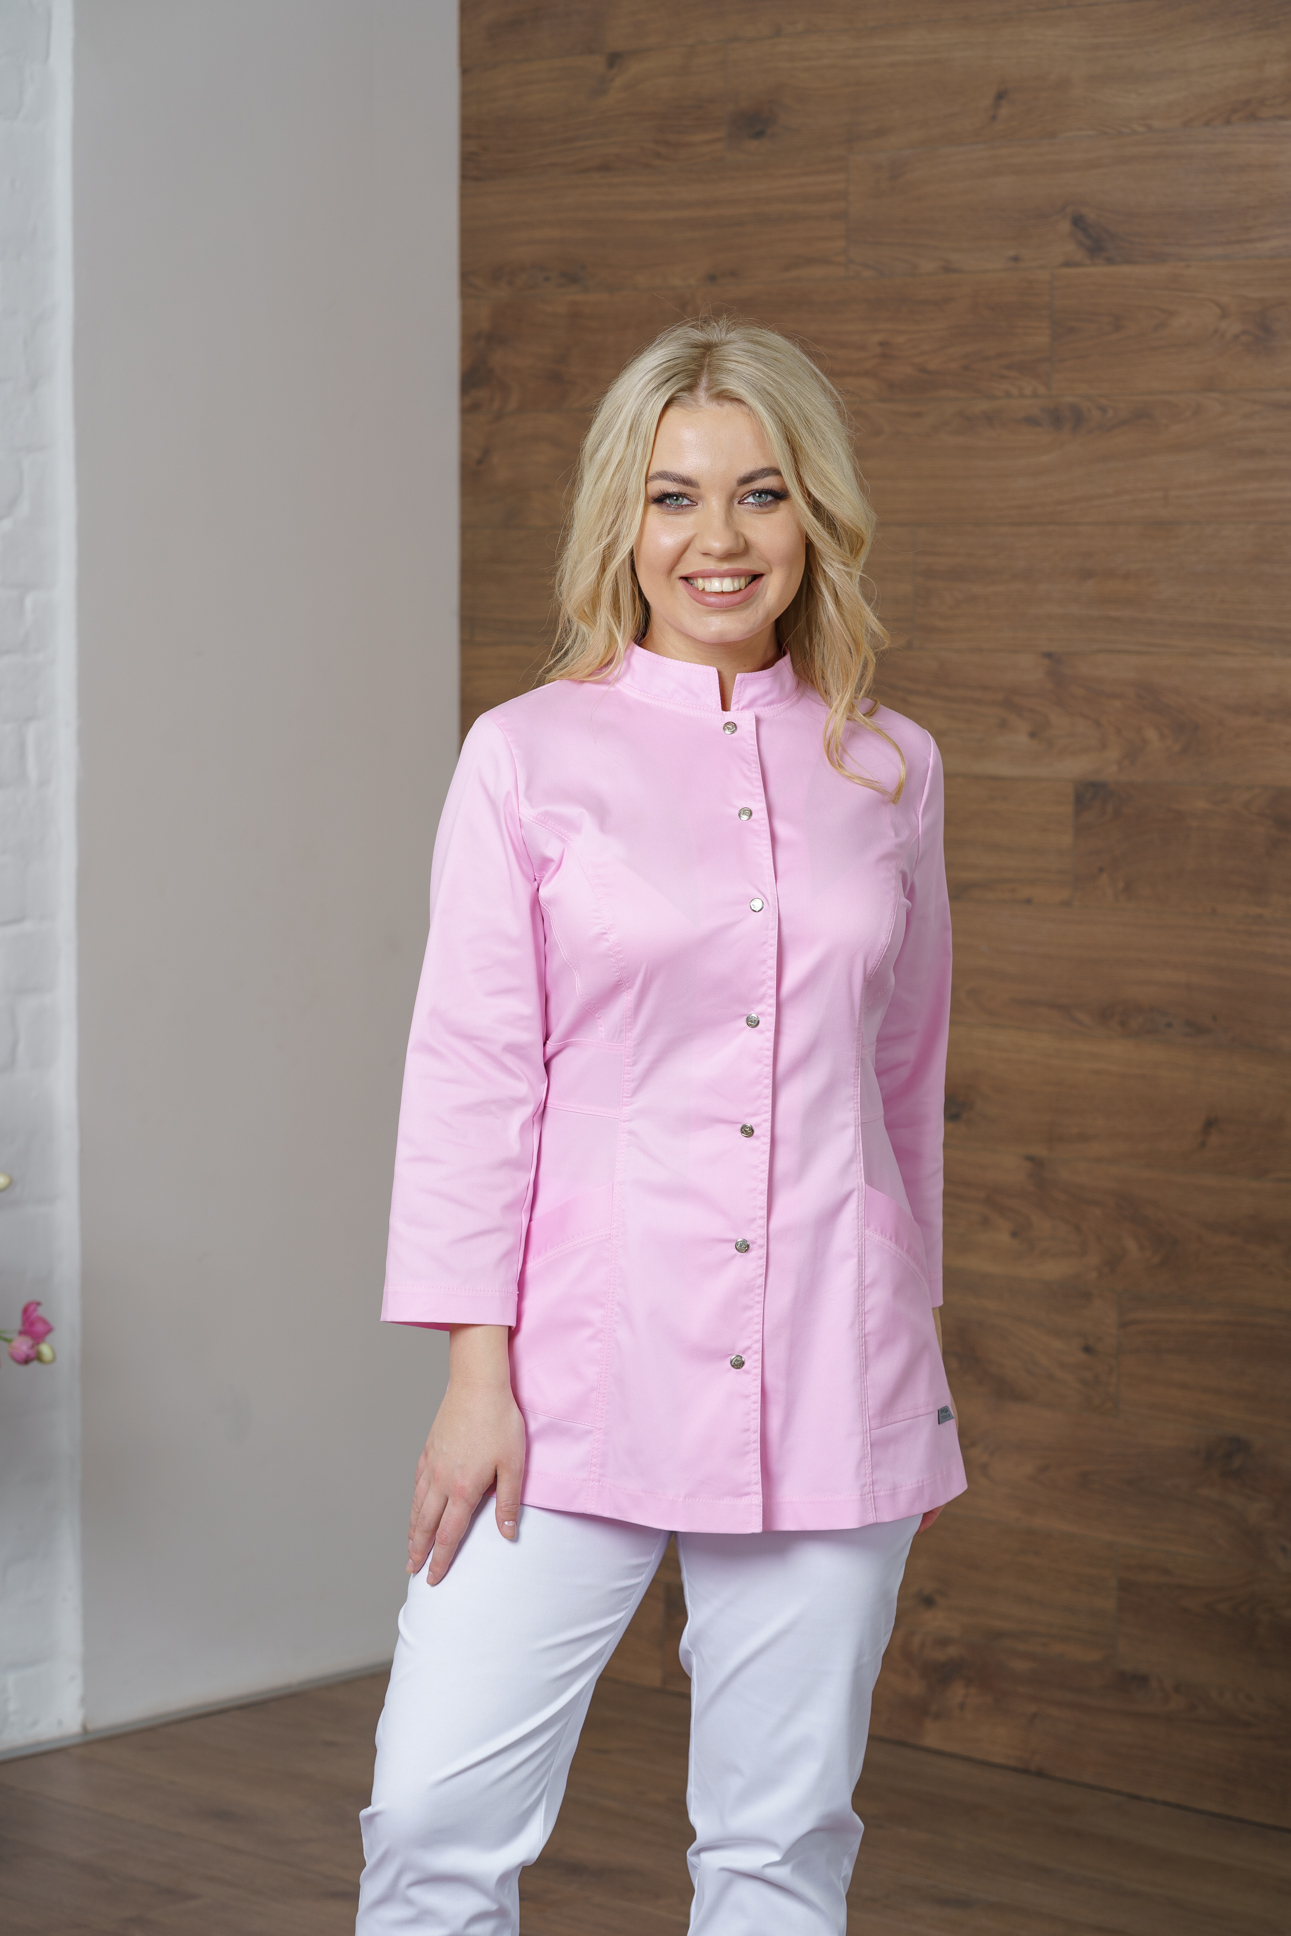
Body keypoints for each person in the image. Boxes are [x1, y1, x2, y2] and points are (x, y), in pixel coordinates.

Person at [356, 317, 966, 1935]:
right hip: (572, 1371)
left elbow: (902, 1074)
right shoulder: (526, 755)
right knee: (433, 1820)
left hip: (831, 1366)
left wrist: (905, 1332)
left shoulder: (893, 769)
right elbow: (474, 1074)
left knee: (780, 1845)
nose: (719, 539)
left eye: (760, 493)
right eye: (673, 495)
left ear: (814, 514)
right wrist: (473, 1377)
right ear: (620, 519)